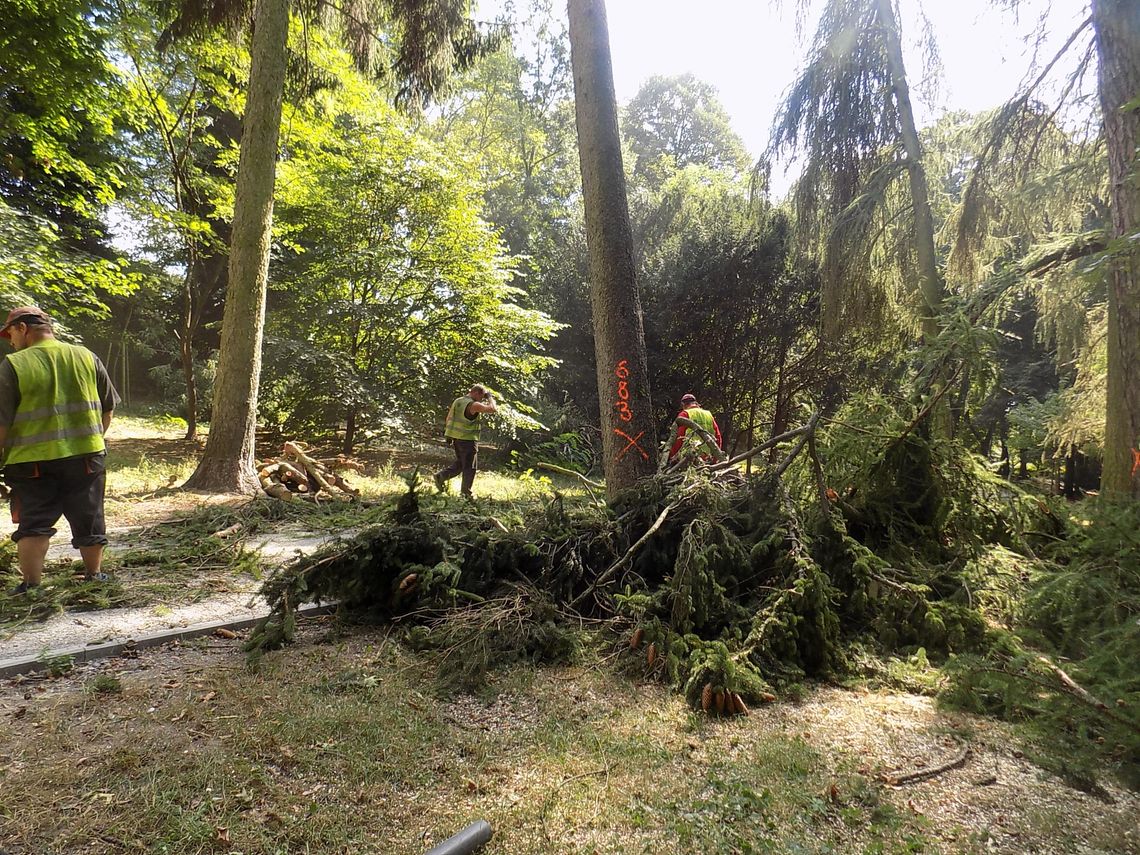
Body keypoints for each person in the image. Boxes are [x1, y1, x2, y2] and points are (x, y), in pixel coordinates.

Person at [0, 307, 120, 594]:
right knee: (89, 516)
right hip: (86, 457)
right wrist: (93, 439)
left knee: (34, 522)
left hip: (31, 463)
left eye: (10, 334)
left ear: (22, 328)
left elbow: (1, 422)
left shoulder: (13, 365)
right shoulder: (86, 356)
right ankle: (94, 576)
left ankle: (31, 586)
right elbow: (108, 407)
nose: (9, 341)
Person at [434, 385, 496, 498]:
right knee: (470, 468)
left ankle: (441, 476)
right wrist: (490, 397)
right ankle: (465, 494)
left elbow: (448, 418)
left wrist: (449, 434)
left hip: (456, 438)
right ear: (477, 393)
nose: (482, 399)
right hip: (468, 439)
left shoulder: (458, 401)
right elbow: (492, 409)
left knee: (462, 464)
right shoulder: (474, 404)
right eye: (482, 397)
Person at [668, 393, 723, 464]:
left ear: (683, 405)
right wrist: (716, 458)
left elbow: (679, 438)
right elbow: (718, 437)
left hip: (689, 459)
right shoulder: (708, 414)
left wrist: (674, 456)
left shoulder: (684, 414)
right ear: (696, 403)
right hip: (707, 458)